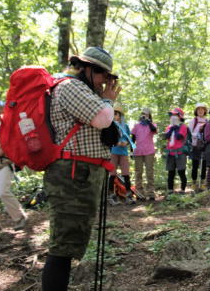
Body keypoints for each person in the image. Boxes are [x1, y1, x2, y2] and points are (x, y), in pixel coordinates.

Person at [41, 46, 120, 291]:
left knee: (70, 244)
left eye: (108, 78)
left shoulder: (84, 90)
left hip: (81, 176)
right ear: (87, 69)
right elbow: (103, 119)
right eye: (103, 75)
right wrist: (108, 99)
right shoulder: (70, 86)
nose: (105, 82)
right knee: (62, 247)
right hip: (72, 176)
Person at [0, 100, 27, 232]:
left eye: (0, 108)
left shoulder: (9, 125)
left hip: (4, 163)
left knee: (3, 191)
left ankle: (19, 217)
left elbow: (2, 150)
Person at [108, 104, 135, 205]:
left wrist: (126, 143)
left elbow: (129, 139)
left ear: (120, 115)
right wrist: (117, 143)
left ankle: (129, 196)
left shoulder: (126, 126)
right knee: (112, 174)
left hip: (123, 152)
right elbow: (109, 139)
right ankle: (111, 196)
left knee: (126, 174)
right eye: (113, 114)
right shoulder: (110, 126)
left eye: (116, 114)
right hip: (113, 152)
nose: (114, 116)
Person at [131, 107, 157, 200]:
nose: (144, 115)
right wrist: (131, 150)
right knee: (138, 172)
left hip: (149, 151)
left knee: (149, 172)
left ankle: (151, 193)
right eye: (143, 114)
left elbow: (154, 130)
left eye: (146, 114)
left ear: (149, 115)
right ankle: (139, 193)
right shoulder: (136, 126)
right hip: (138, 151)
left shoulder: (152, 125)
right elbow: (132, 138)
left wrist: (148, 121)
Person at [164, 107, 188, 195]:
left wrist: (176, 127)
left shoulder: (183, 126)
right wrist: (171, 129)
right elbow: (166, 137)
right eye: (172, 115)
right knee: (171, 172)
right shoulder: (169, 127)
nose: (173, 117)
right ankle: (170, 190)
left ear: (179, 116)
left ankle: (182, 189)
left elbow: (179, 137)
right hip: (170, 152)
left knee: (181, 171)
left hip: (180, 153)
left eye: (175, 115)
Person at [188, 103, 208, 192]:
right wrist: (197, 134)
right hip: (195, 145)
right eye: (198, 109)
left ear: (205, 111)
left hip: (205, 145)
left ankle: (202, 183)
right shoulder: (193, 121)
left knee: (204, 165)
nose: (200, 111)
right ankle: (194, 183)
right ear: (196, 111)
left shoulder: (207, 121)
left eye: (202, 109)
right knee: (195, 165)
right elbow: (189, 133)